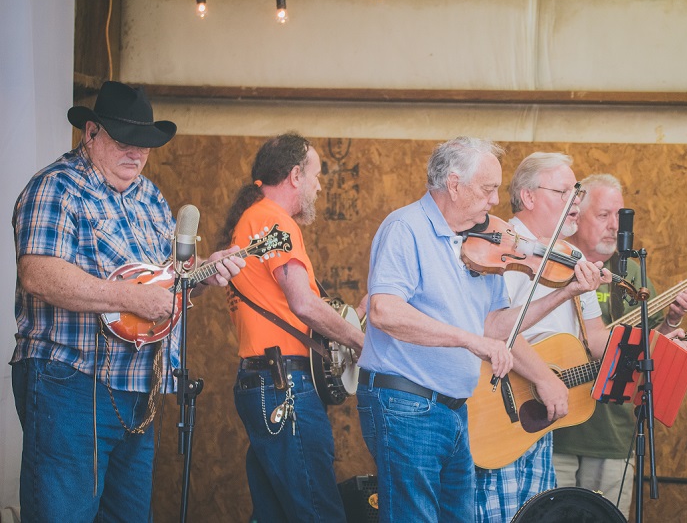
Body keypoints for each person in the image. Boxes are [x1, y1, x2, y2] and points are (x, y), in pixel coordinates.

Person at [10, 80, 245, 522]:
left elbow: (168, 284)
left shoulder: (151, 198)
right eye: (123, 140)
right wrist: (128, 296)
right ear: (91, 133)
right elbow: (38, 275)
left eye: (145, 144)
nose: (136, 152)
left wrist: (207, 271)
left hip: (139, 389)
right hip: (71, 382)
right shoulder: (57, 188)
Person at [358, 137, 583, 521]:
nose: (496, 200)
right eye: (488, 188)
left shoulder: (481, 242)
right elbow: (384, 310)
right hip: (406, 403)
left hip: (454, 409)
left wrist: (564, 294)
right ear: (454, 184)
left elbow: (495, 326)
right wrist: (467, 339)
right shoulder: (405, 227)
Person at [218, 132, 365, 523]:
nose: (318, 186)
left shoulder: (252, 220)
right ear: (296, 175)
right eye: (316, 176)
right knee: (320, 513)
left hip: (264, 384)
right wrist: (361, 342)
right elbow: (303, 304)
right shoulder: (274, 220)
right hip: (284, 386)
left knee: (274, 515)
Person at [474, 152, 614, 522]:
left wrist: (653, 342)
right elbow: (494, 327)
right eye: (565, 191)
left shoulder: (572, 256)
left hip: (540, 418)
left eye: (577, 192)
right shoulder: (501, 247)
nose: (576, 202)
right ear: (529, 196)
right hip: (497, 406)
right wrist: (543, 377)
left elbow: (596, 338)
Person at [553, 173, 687, 517]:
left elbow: (646, 345)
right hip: (553, 428)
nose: (614, 226)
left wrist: (672, 322)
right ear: (575, 218)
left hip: (611, 434)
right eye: (603, 215)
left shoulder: (631, 273)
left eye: (620, 216)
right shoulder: (553, 264)